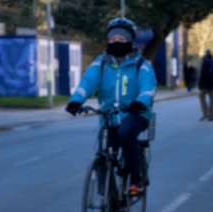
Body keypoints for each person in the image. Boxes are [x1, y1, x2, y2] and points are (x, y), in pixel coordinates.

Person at [65, 17, 157, 196]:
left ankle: (135, 178)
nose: (116, 42)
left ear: (130, 41)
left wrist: (140, 103)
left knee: (125, 133)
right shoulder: (100, 63)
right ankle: (108, 196)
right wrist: (76, 101)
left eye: (121, 40)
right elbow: (87, 82)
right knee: (104, 150)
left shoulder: (140, 64)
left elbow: (149, 87)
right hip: (109, 114)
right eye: (112, 39)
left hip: (136, 114)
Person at [198, 49, 213, 121]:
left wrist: (200, 84)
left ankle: (205, 113)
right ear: (211, 53)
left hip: (205, 85)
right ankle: (211, 116)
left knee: (201, 97)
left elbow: (202, 75)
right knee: (212, 100)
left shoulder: (205, 62)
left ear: (205, 54)